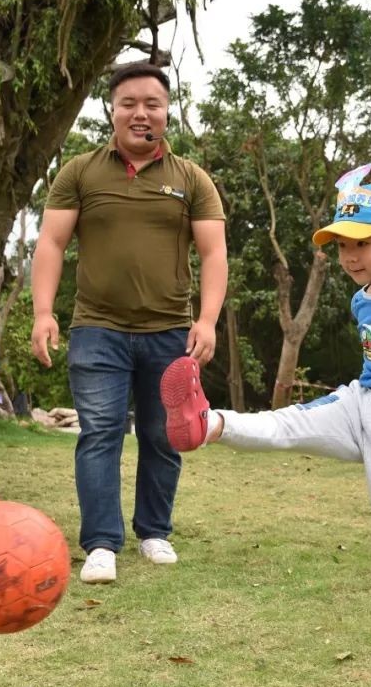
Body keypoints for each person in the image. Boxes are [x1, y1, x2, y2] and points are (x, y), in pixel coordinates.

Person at [157, 165, 371, 668]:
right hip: (361, 399)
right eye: (342, 246)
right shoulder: (361, 300)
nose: (350, 256)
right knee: (287, 424)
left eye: (362, 243)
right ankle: (208, 424)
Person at [30, 62, 227, 585]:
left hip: (170, 332)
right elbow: (51, 243)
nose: (141, 113)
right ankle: (101, 543)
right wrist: (43, 312)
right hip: (97, 329)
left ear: (167, 111)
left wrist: (208, 320)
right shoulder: (80, 173)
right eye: (129, 104)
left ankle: (154, 532)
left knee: (164, 434)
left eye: (152, 104)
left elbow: (213, 252)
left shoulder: (191, 179)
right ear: (112, 110)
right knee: (100, 433)